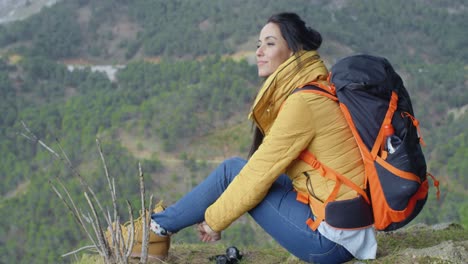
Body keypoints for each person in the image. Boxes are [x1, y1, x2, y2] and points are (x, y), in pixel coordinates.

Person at [146, 12, 378, 263]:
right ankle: (158, 227)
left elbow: (258, 173)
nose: (259, 51)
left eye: (269, 43)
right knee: (233, 169)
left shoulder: (304, 103)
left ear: (293, 51)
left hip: (332, 242)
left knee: (234, 170)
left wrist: (214, 221)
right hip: (345, 222)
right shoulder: (316, 89)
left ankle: (154, 231)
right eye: (258, 44)